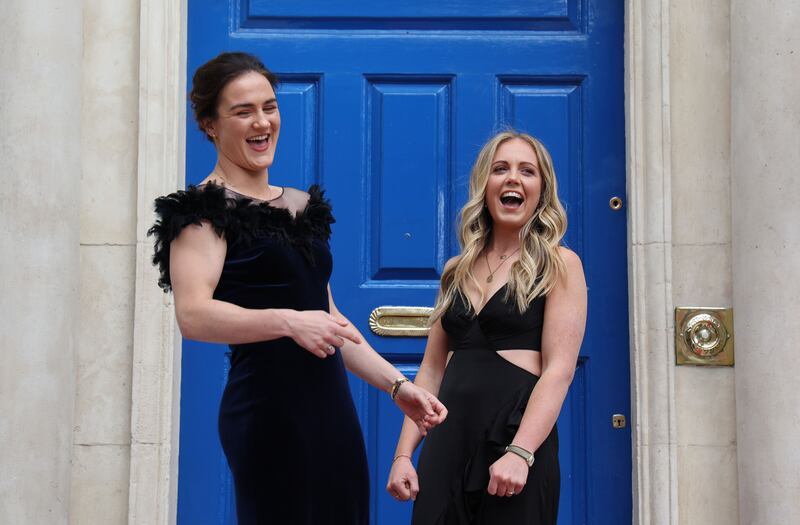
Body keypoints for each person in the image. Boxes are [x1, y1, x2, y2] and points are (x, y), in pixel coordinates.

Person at [149, 52, 447, 525]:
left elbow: (330, 320)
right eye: (243, 111)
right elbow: (193, 315)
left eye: (269, 107)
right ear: (209, 124)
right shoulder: (202, 214)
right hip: (267, 412)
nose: (262, 122)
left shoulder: (302, 206)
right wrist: (287, 322)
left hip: (330, 408)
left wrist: (398, 386)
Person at [386, 130, 587, 524]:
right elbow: (431, 370)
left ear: (541, 190)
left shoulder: (560, 264)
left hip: (514, 438)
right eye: (501, 169)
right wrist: (404, 454)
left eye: (526, 171)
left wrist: (521, 452)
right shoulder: (454, 271)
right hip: (448, 438)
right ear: (486, 185)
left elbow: (559, 371)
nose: (513, 178)